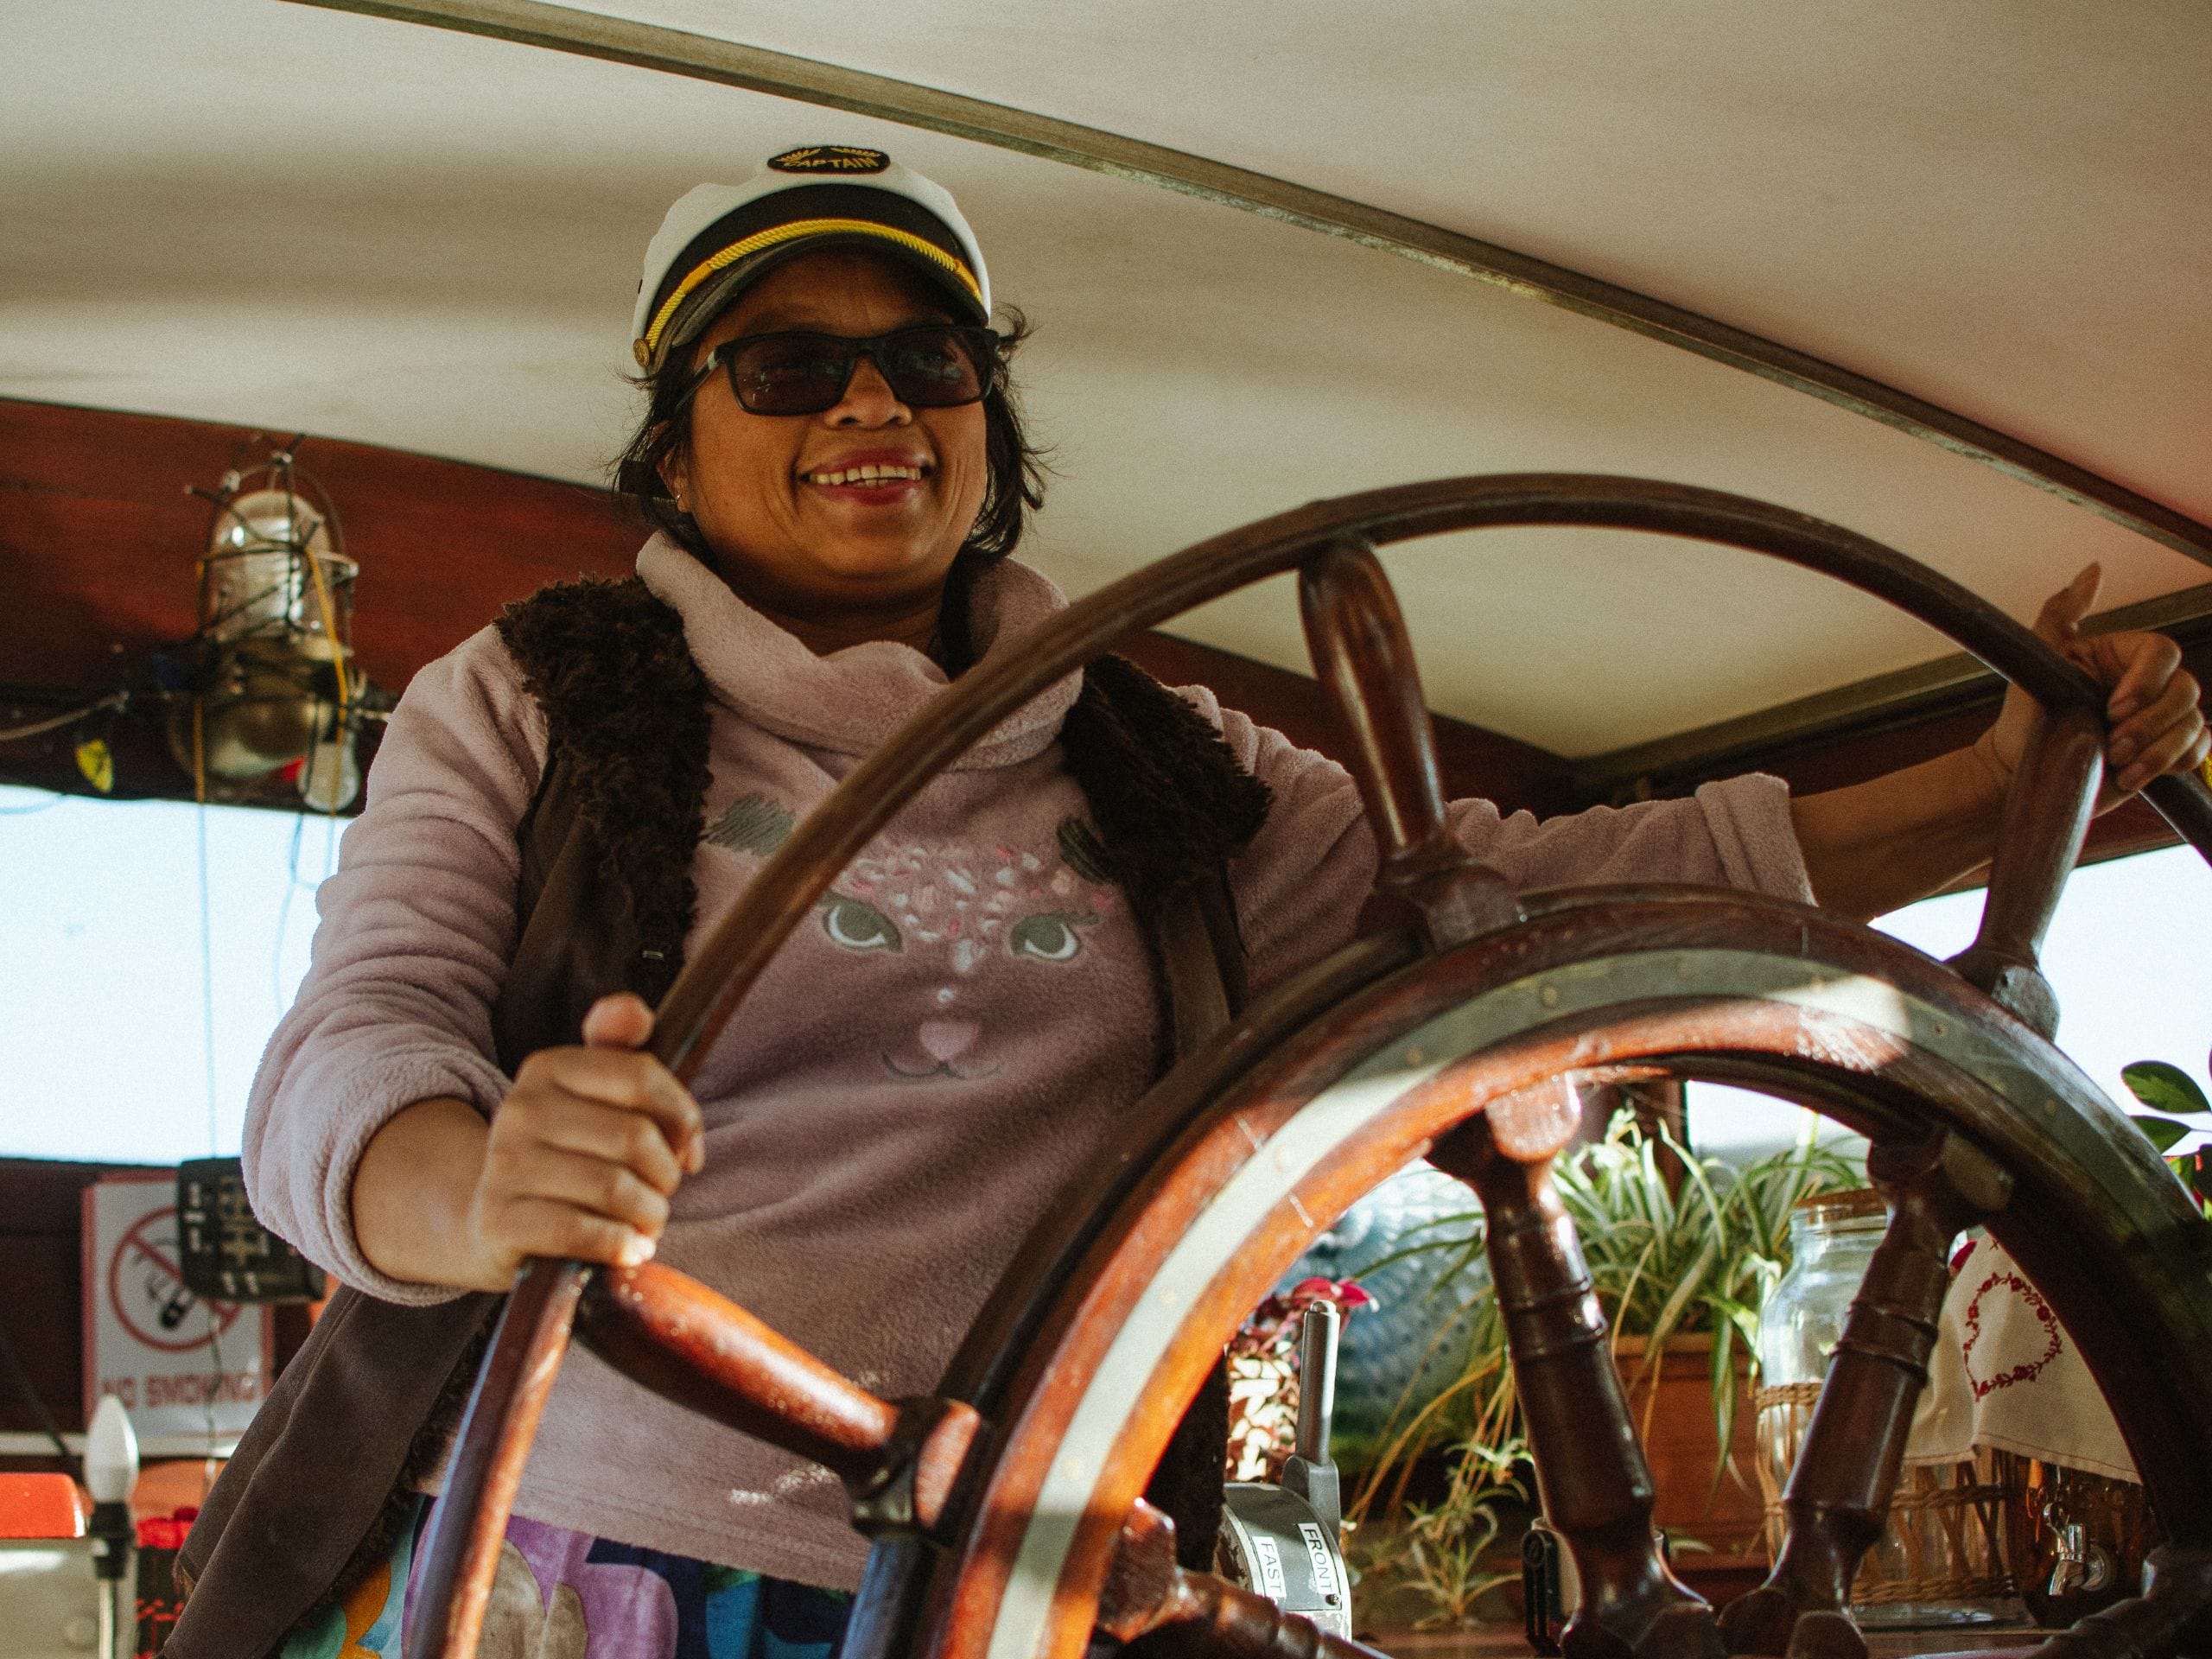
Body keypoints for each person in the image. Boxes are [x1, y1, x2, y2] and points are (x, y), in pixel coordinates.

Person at [225, 145, 2205, 1657]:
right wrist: (477, 1184)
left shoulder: (1165, 762)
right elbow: (350, 1053)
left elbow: (1523, 906)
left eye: (927, 359)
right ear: (676, 438)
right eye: (787, 364)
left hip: (1043, 1569)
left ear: (985, 423)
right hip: (605, 1567)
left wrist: (1984, 788)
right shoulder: (529, 699)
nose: (870, 406)